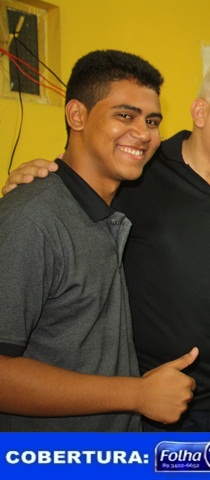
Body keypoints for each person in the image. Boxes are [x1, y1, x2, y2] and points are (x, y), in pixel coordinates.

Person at [2, 60, 210, 432]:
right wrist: (38, 179)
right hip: (143, 403)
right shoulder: (137, 174)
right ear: (201, 112)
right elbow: (74, 181)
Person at [0, 49, 198, 431]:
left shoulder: (111, 203)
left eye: (152, 121)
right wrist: (137, 394)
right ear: (77, 115)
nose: (144, 133)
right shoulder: (31, 219)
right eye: (125, 115)